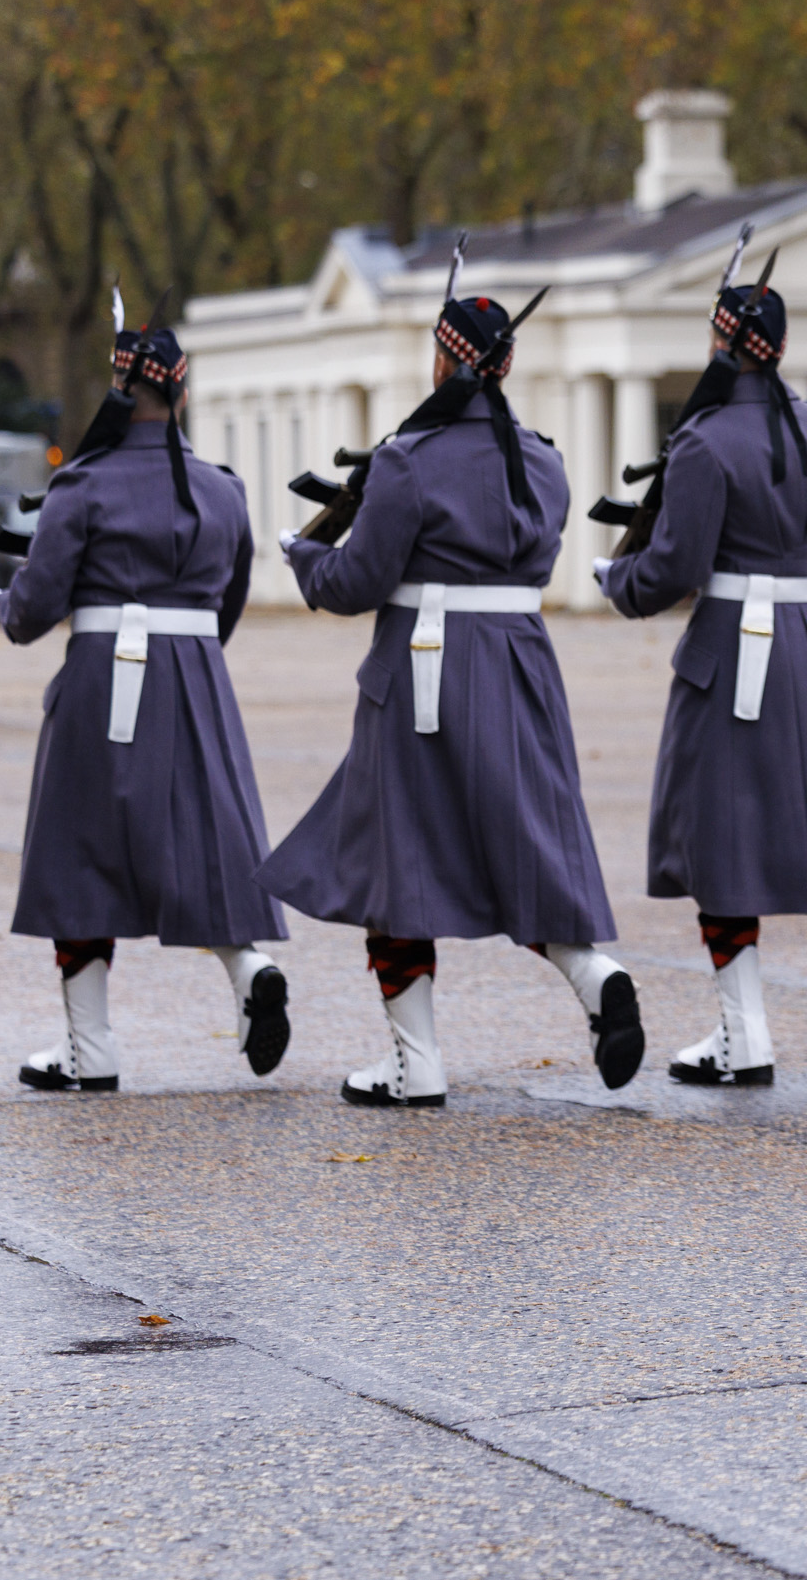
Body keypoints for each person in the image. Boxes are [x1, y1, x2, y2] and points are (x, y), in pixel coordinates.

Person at [265, 284, 641, 1107]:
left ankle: (416, 1060)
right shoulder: (543, 458)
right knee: (521, 841)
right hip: (519, 662)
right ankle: (594, 973)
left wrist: (302, 556)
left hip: (422, 672)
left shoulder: (408, 458)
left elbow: (360, 580)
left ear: (444, 357)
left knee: (394, 861)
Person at [599, 278, 807, 1084]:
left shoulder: (704, 440)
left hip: (735, 647)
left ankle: (745, 1034)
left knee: (722, 836)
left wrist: (617, 577)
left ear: (720, 342)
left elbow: (675, 566)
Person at [0, 317, 288, 1093]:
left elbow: (34, 607)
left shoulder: (80, 485)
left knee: (79, 851)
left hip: (102, 676)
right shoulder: (224, 488)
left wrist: (5, 598)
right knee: (204, 843)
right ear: (183, 388)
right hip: (196, 674)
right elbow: (232, 596)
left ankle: (90, 1047)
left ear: (120, 387)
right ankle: (249, 966)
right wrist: (189, 656)